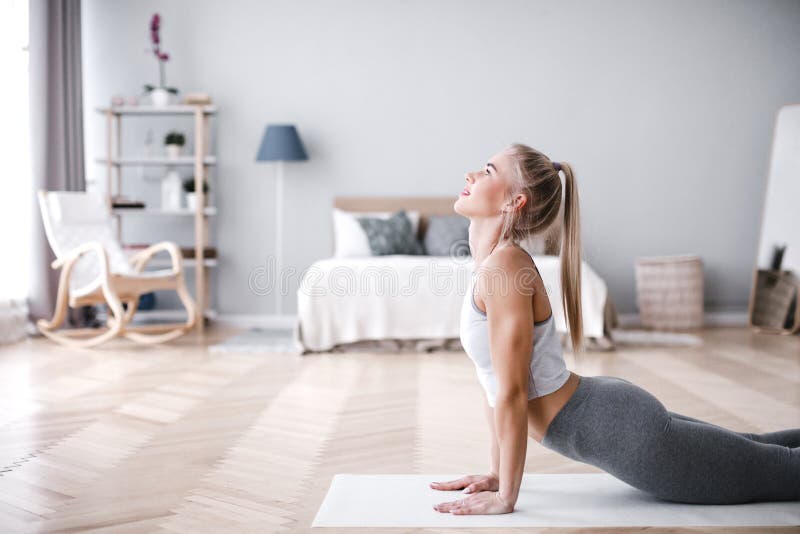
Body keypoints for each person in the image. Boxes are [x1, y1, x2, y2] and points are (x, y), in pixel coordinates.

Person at [430, 143, 800, 515]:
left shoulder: (505, 267)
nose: (471, 175)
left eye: (489, 171)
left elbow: (513, 392)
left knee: (779, 469)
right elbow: (493, 386)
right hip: (611, 416)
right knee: (760, 450)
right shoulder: (492, 266)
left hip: (622, 432)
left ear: (515, 202)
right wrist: (496, 474)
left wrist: (506, 496)